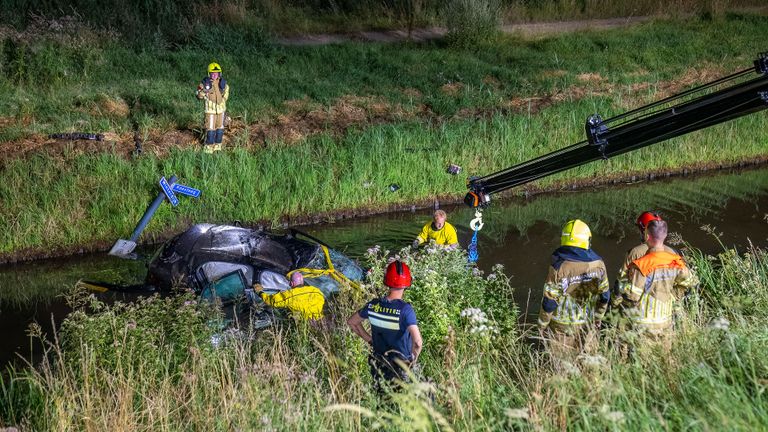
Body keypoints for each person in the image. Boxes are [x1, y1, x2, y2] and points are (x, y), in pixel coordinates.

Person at [614, 219, 698, 347]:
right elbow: (691, 282)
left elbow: (633, 296)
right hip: (666, 320)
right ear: (665, 236)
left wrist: (623, 285)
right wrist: (674, 295)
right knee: (664, 356)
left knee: (644, 360)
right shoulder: (675, 261)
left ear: (647, 236)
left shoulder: (641, 265)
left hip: (645, 323)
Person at [537, 219, 610, 359]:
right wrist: (598, 317)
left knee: (563, 367)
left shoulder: (559, 267)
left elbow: (549, 303)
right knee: (589, 363)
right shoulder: (599, 264)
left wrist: (542, 325)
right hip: (587, 323)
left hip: (561, 327)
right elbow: (605, 296)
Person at [348, 260, 423, 392]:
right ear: (407, 283)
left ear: (386, 281)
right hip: (401, 365)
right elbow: (417, 342)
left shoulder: (373, 306)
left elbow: (352, 322)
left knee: (382, 397)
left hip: (379, 361)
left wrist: (370, 340)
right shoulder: (406, 310)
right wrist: (413, 360)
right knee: (402, 402)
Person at [615, 211, 678, 288]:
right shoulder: (673, 253)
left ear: (644, 231)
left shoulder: (635, 252)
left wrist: (615, 298)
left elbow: (621, 280)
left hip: (637, 297)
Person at [256, 272, 325, 320]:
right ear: (302, 282)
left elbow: (272, 301)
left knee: (288, 314)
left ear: (291, 283)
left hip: (306, 324)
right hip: (321, 320)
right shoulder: (316, 291)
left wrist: (260, 292)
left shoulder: (290, 295)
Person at [196, 62, 230, 153]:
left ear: (219, 73)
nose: (215, 75)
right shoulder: (204, 83)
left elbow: (226, 91)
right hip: (210, 111)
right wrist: (203, 92)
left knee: (220, 128)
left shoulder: (222, 83)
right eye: (212, 73)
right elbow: (198, 95)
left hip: (221, 110)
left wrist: (223, 100)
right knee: (210, 129)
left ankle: (218, 146)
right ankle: (208, 147)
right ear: (209, 73)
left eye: (217, 73)